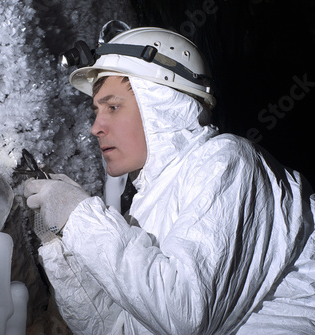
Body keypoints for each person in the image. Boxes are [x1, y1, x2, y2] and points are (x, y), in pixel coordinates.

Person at [24, 26, 315, 334]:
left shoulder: (228, 162)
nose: (96, 127)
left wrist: (81, 216)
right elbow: (120, 328)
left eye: (113, 106)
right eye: (96, 111)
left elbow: (185, 315)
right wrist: (62, 244)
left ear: (161, 104)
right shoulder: (149, 203)